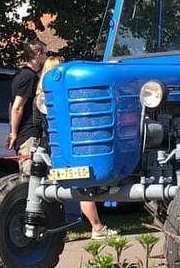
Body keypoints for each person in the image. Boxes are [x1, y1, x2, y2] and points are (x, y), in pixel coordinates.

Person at [34, 56, 118, 240]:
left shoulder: (43, 97)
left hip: (56, 147)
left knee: (75, 186)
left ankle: (79, 227)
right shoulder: (46, 99)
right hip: (55, 148)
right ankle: (94, 227)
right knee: (80, 187)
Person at [8, 39, 47, 174]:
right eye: (45, 54)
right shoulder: (29, 77)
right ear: (37, 54)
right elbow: (17, 107)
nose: (46, 58)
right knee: (30, 178)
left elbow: (11, 105)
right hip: (29, 135)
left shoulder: (19, 75)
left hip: (24, 135)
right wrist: (13, 133)